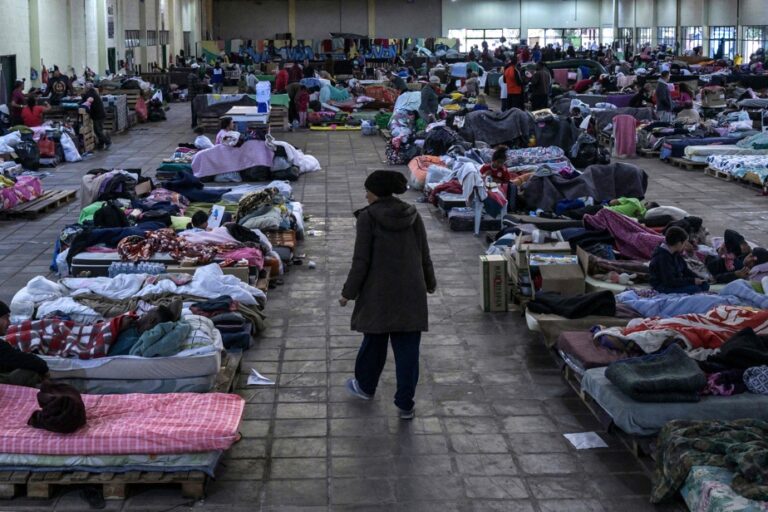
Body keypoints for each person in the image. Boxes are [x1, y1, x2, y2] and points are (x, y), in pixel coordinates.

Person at [340, 170, 436, 420]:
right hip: (411, 292)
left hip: (378, 293)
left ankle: (365, 387)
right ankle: (405, 404)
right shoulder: (412, 215)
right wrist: (429, 282)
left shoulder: (368, 218)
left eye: (368, 190)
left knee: (373, 343)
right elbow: (424, 253)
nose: (365, 194)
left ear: (377, 192)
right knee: (408, 351)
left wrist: (347, 293)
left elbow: (361, 261)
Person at [649, 226, 709, 294]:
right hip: (663, 286)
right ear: (679, 243)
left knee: (704, 285)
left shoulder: (675, 253)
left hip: (676, 283)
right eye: (684, 243)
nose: (685, 246)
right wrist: (692, 281)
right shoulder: (662, 257)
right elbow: (670, 281)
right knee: (695, 289)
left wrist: (698, 278)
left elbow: (685, 270)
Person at [81, 83, 111, 150]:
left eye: (85, 88)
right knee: (99, 129)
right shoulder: (93, 93)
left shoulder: (90, 94)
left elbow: (86, 103)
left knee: (97, 130)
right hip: (100, 114)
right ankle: (101, 144)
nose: (84, 89)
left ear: (87, 88)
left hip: (98, 115)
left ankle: (107, 142)